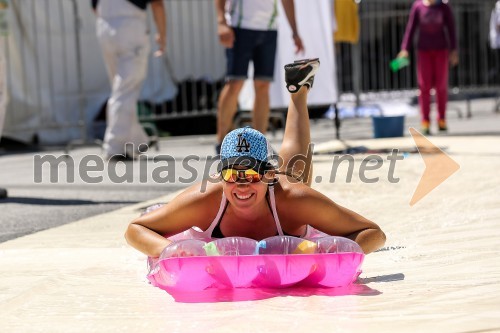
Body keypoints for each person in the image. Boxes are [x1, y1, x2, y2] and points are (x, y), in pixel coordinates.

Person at [125, 59, 386, 257]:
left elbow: (374, 234)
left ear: (268, 175)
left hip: (284, 200)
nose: (240, 185)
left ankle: (298, 92)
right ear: (220, 175)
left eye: (250, 175)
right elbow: (135, 229)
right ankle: (297, 87)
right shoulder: (206, 200)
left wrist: (329, 255)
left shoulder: (294, 199)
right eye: (231, 175)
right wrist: (170, 251)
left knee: (295, 176)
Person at [214, 0, 305, 153]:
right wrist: (222, 22)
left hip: (268, 28)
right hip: (240, 26)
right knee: (235, 84)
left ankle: (259, 144)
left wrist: (295, 31)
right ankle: (221, 141)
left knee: (263, 85)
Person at [92, 0, 167, 159]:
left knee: (120, 88)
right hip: (130, 25)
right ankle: (114, 146)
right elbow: (157, 4)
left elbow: (94, 7)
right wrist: (162, 33)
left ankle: (137, 140)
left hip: (104, 24)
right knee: (125, 90)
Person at [397, 0, 458, 135]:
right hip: (423, 51)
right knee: (424, 86)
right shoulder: (418, 6)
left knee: (441, 86)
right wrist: (404, 48)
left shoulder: (444, 7)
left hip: (441, 50)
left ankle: (441, 119)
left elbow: (451, 28)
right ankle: (425, 121)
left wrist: (454, 50)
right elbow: (411, 28)